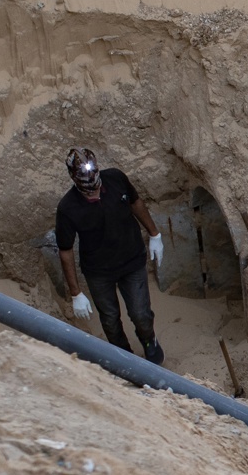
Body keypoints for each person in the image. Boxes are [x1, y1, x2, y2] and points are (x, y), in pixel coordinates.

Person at [55, 147, 166, 364]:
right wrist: (75, 293)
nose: (91, 185)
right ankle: (124, 359)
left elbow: (135, 202)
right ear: (73, 177)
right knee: (110, 320)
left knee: (141, 313)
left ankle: (148, 340)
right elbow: (65, 250)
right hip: (99, 272)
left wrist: (155, 234)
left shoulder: (115, 178)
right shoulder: (68, 208)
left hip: (131, 260)